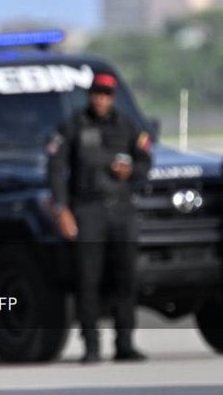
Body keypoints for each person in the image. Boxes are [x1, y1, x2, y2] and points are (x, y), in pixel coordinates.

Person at [47, 72, 152, 363]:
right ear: (90, 95)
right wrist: (62, 209)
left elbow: (145, 161)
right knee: (88, 280)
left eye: (106, 94)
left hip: (121, 210)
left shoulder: (126, 125)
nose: (101, 100)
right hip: (87, 210)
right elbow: (55, 168)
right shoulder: (74, 125)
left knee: (126, 278)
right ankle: (91, 345)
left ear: (113, 97)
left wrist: (130, 172)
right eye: (96, 94)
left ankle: (125, 343)